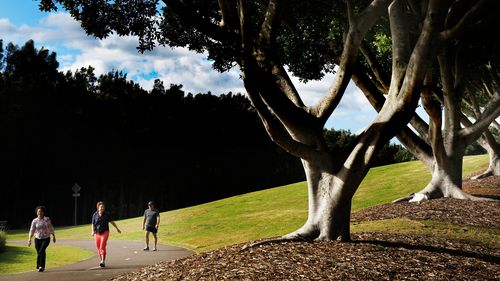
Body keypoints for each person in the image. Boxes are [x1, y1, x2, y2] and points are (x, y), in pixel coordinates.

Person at [91, 201, 121, 268]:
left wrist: (117, 228)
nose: (102, 208)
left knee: (102, 247)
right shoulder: (95, 215)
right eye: (101, 207)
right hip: (97, 233)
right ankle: (101, 260)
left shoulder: (107, 214)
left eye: (103, 207)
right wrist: (92, 231)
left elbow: (112, 222)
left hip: (105, 232)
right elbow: (93, 224)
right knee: (98, 248)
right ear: (98, 207)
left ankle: (103, 261)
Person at [28, 206, 56, 272]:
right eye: (38, 211)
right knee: (40, 252)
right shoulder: (34, 221)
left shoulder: (47, 219)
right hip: (37, 238)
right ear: (36, 212)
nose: (39, 212)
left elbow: (50, 227)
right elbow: (32, 230)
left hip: (46, 238)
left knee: (41, 250)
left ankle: (40, 266)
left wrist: (53, 236)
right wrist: (29, 239)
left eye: (41, 211)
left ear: (43, 212)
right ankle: (41, 266)